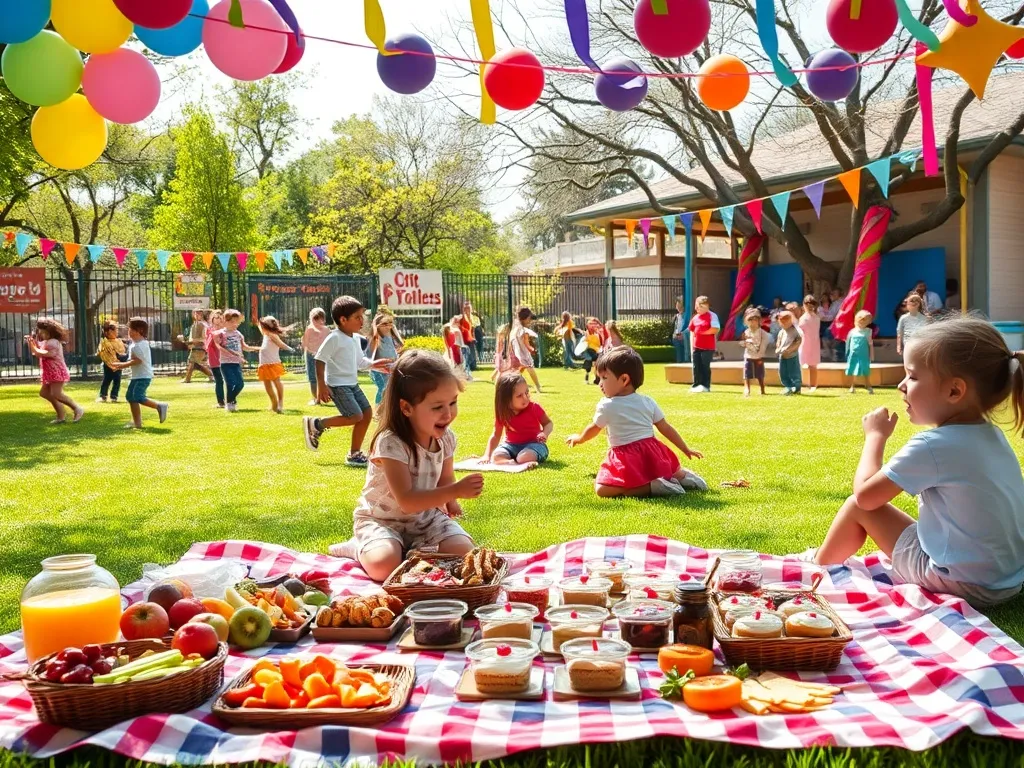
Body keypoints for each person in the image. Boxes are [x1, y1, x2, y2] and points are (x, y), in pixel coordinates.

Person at [809, 316, 1024, 606]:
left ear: (954, 391)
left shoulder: (934, 445)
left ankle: (814, 576)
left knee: (855, 507)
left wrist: (875, 437)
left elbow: (865, 498)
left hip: (963, 584)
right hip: (1007, 581)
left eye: (912, 376)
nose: (901, 385)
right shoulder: (993, 436)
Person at [327, 350, 483, 582]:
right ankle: (358, 546)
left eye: (453, 402)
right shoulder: (391, 443)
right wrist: (456, 490)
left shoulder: (446, 439)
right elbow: (407, 501)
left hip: (425, 520)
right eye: (437, 407)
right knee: (384, 567)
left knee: (465, 554)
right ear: (407, 408)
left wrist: (452, 502)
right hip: (382, 521)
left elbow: (445, 479)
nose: (448, 413)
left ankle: (411, 552)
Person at [566, 346, 706, 498]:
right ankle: (683, 476)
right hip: (653, 452)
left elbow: (594, 428)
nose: (600, 383)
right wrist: (685, 449)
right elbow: (665, 428)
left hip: (626, 457)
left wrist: (579, 438)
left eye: (604, 378)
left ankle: (653, 487)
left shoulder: (607, 405)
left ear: (624, 379)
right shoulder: (648, 401)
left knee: (602, 489)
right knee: (666, 470)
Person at [303, 295, 393, 461]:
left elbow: (360, 362)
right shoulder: (334, 337)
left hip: (352, 384)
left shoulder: (355, 338)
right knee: (355, 416)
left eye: (362, 316)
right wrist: (321, 385)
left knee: (366, 414)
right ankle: (317, 424)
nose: (362, 321)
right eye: (357, 317)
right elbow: (319, 359)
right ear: (343, 320)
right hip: (338, 385)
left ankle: (354, 454)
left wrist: (375, 364)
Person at [483, 371, 554, 466]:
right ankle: (511, 462)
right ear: (506, 399)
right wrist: (487, 455)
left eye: (526, 392)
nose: (525, 397)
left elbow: (548, 423)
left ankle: (520, 461)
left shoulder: (534, 408)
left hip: (534, 445)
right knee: (496, 456)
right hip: (510, 446)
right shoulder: (503, 413)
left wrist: (545, 433)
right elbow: (496, 435)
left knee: (524, 457)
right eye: (519, 396)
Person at [110, 317, 168, 429]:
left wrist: (121, 365)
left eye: (131, 329)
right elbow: (133, 358)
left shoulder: (139, 345)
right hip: (137, 376)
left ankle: (160, 406)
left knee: (138, 396)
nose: (129, 332)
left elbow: (138, 361)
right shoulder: (135, 344)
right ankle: (137, 423)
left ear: (139, 331)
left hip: (143, 376)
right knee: (131, 397)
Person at [25, 318, 83, 424]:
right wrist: (33, 343)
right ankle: (61, 416)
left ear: (49, 331)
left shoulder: (53, 342)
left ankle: (77, 408)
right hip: (50, 373)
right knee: (44, 393)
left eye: (42, 332)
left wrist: (33, 347)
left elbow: (45, 354)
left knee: (57, 394)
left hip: (57, 372)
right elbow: (40, 349)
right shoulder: (48, 341)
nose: (40, 334)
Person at [214, 309, 258, 412]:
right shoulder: (220, 334)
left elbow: (244, 347)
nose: (235, 324)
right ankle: (230, 404)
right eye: (232, 322)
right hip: (225, 363)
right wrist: (235, 355)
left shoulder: (238, 334)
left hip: (236, 363)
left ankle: (230, 400)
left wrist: (258, 348)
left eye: (237, 322)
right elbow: (220, 348)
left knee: (240, 384)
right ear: (225, 321)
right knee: (230, 384)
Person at [256, 316, 294, 413]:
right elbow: (259, 325)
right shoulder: (265, 334)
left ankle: (280, 402)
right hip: (263, 364)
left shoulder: (272, 335)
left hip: (273, 363)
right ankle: (274, 403)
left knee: (276, 382)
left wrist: (290, 349)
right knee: (267, 385)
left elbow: (281, 344)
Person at [367, 311, 404, 411]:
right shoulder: (377, 338)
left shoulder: (391, 337)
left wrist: (393, 327)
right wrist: (374, 325)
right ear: (378, 326)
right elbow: (374, 337)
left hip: (390, 369)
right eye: (384, 324)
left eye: (390, 323)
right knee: (383, 388)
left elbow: (401, 344)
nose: (388, 326)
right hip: (378, 370)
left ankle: (386, 409)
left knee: (390, 389)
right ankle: (378, 410)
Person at [688, 296, 719, 393]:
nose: (697, 308)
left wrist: (702, 333)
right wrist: (692, 346)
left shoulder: (712, 316)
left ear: (707, 306)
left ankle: (706, 385)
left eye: (700, 306)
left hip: (708, 347)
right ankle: (696, 385)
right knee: (696, 366)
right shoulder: (695, 318)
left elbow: (715, 329)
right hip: (696, 346)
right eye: (696, 306)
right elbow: (692, 331)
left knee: (705, 366)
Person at [301, 308, 331, 406]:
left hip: (323, 355)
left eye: (320, 319)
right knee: (313, 377)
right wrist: (311, 351)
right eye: (315, 319)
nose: (318, 321)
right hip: (312, 355)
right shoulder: (309, 329)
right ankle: (316, 399)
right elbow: (305, 343)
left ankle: (327, 396)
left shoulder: (326, 330)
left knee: (325, 376)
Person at [510, 306, 541, 393]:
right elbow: (526, 344)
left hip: (518, 354)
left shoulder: (515, 330)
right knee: (530, 369)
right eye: (529, 319)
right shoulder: (524, 331)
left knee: (519, 370)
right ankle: (537, 386)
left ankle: (511, 385)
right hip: (524, 354)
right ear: (525, 318)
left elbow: (512, 342)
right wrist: (532, 349)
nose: (530, 321)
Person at [741, 307, 769, 397]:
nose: (752, 322)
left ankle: (762, 388)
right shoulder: (746, 332)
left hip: (758, 356)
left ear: (759, 321)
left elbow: (764, 344)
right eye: (750, 320)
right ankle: (747, 388)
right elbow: (745, 342)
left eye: (755, 320)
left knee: (760, 373)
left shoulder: (762, 333)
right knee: (746, 372)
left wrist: (760, 354)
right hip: (748, 355)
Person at [96, 320, 126, 403]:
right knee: (106, 380)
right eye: (116, 330)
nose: (117, 332)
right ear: (110, 331)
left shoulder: (118, 341)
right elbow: (101, 352)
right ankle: (103, 395)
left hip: (118, 364)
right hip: (107, 365)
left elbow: (122, 351)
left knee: (117, 381)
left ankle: (114, 396)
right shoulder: (104, 342)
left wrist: (120, 359)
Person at [846, 309, 874, 394]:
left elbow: (870, 344)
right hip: (853, 354)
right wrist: (847, 352)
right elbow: (848, 342)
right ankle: (852, 386)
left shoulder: (868, 331)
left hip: (863, 354)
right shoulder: (852, 331)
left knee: (865, 369)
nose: (862, 322)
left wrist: (871, 355)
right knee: (852, 368)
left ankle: (868, 385)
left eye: (865, 320)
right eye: (860, 320)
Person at [180, 310, 212, 384]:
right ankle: (211, 375)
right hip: (200, 347)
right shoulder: (201, 324)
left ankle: (187, 379)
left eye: (199, 314)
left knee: (192, 362)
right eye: (195, 314)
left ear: (202, 315)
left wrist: (188, 342)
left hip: (199, 346)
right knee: (196, 364)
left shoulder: (200, 324)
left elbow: (202, 337)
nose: (196, 315)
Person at [775, 310, 802, 395]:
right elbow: (778, 341)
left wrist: (790, 350)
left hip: (792, 356)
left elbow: (798, 342)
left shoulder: (795, 331)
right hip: (782, 356)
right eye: (781, 321)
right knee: (783, 372)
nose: (784, 323)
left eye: (786, 321)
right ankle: (788, 386)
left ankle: (796, 387)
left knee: (793, 372)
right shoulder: (781, 332)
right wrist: (778, 348)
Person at [799, 295, 821, 392]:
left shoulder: (807, 318)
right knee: (810, 365)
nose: (809, 306)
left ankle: (811, 385)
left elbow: (801, 331)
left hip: (809, 343)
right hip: (809, 343)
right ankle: (810, 385)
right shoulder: (815, 317)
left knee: (810, 365)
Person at [205, 309, 225, 409]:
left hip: (225, 358)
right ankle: (221, 402)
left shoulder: (225, 330)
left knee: (228, 380)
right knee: (219, 380)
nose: (218, 320)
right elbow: (207, 344)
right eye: (216, 317)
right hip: (214, 358)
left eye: (220, 318)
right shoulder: (210, 330)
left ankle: (230, 400)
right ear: (212, 319)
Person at [581, 317, 603, 385]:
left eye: (594, 323)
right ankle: (587, 376)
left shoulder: (599, 333)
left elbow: (601, 342)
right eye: (590, 323)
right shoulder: (586, 333)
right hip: (589, 350)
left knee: (597, 365)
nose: (592, 325)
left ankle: (597, 378)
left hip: (598, 350)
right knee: (589, 362)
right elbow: (583, 343)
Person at [459, 301, 478, 372]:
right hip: (464, 337)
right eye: (466, 308)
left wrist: (474, 337)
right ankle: (467, 366)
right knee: (466, 352)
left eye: (469, 308)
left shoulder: (472, 317)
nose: (468, 309)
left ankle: (472, 366)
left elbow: (472, 329)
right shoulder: (462, 317)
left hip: (470, 338)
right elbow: (460, 326)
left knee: (472, 352)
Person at [671, 298, 687, 364]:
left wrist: (683, 334)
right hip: (676, 338)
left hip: (684, 338)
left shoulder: (686, 316)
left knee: (685, 356)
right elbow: (675, 328)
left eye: (679, 306)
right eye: (677, 306)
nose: (677, 307)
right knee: (679, 357)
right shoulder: (676, 316)